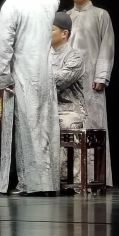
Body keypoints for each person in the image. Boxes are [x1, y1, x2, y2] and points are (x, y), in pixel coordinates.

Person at [0, 0, 60, 196]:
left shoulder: (13, 3)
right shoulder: (49, 2)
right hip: (45, 73)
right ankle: (46, 182)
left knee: (27, 126)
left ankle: (32, 183)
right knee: (44, 126)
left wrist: (4, 76)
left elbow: (5, 45)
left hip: (23, 72)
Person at [66, 0, 115, 186]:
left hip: (91, 80)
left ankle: (96, 177)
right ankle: (71, 176)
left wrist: (102, 75)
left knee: (94, 126)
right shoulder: (64, 17)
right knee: (70, 126)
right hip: (67, 82)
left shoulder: (100, 15)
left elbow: (107, 46)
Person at [50, 12, 86, 183]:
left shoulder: (75, 57)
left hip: (69, 109)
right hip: (47, 108)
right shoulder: (43, 55)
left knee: (61, 122)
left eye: (51, 29)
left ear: (64, 33)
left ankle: (70, 178)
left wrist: (36, 77)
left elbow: (59, 80)